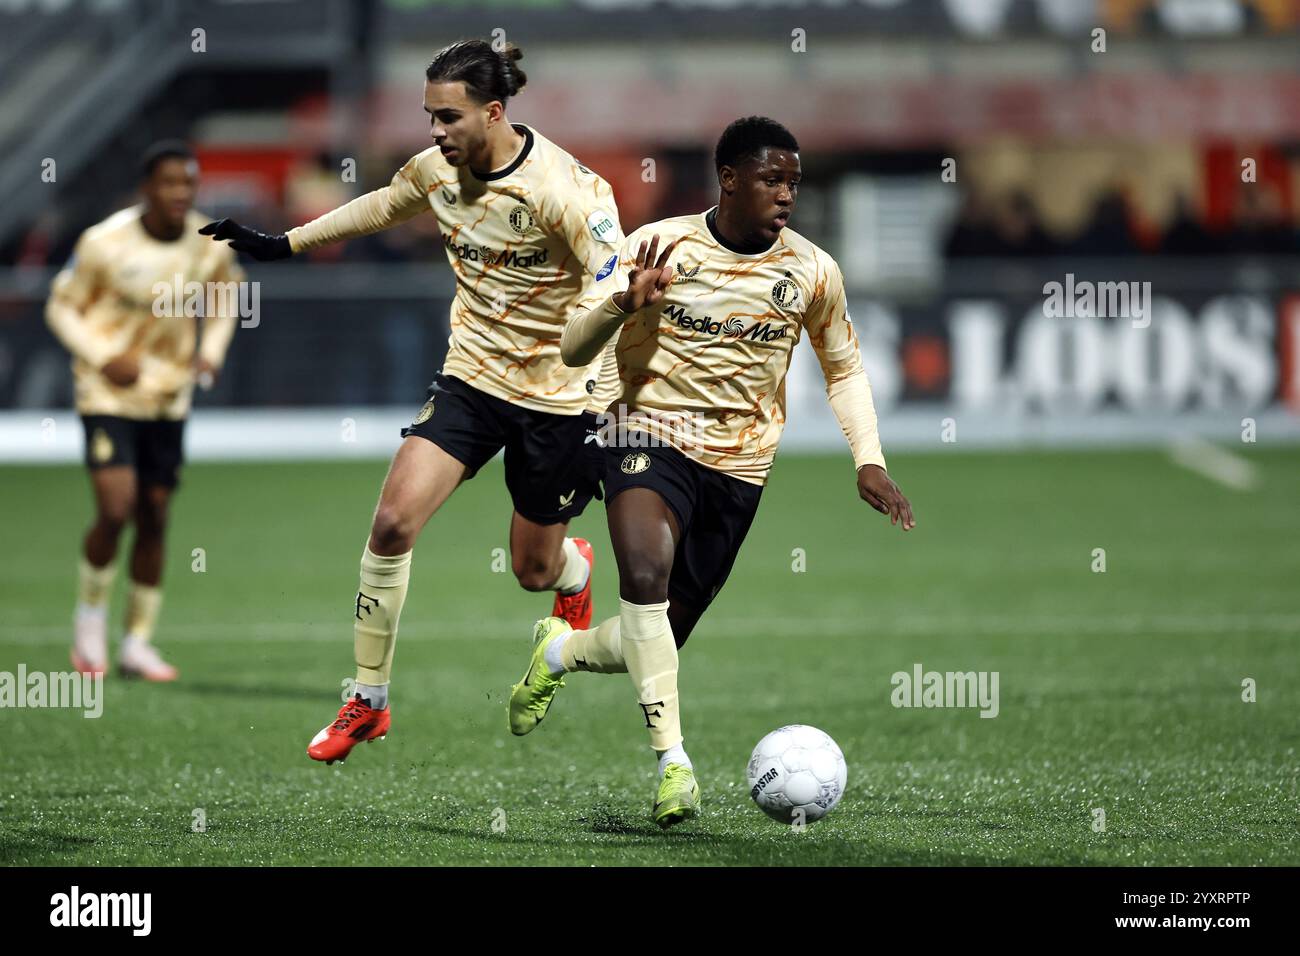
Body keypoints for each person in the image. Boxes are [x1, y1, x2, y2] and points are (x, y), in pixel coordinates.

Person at [200, 40, 626, 764]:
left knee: (532, 570)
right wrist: (284, 244)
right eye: (429, 116)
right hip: (471, 381)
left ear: (494, 113)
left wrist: (610, 399)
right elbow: (381, 205)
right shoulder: (436, 170)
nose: (435, 131)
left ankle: (573, 572)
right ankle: (368, 701)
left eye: (449, 117)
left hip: (558, 399)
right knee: (393, 522)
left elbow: (615, 291)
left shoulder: (569, 192)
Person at [507, 117, 915, 827]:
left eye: (793, 181)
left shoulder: (812, 271)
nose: (787, 194)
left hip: (739, 469)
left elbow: (843, 368)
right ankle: (674, 765)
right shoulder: (653, 246)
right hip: (644, 434)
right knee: (642, 575)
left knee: (655, 631)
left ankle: (561, 652)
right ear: (729, 180)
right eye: (771, 179)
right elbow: (574, 347)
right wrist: (622, 302)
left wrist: (869, 459)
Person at [47, 141, 244, 681]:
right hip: (107, 394)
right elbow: (62, 306)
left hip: (168, 396)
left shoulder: (208, 244)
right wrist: (102, 356)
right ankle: (89, 623)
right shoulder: (104, 243)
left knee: (155, 516)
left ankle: (136, 643)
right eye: (169, 183)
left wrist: (211, 350)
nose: (180, 193)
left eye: (188, 183)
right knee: (116, 510)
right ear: (146, 188)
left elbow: (228, 297)